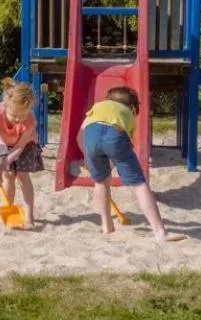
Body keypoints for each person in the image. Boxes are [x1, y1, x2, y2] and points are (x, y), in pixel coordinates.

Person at [78, 86, 182, 241]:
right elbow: (121, 146)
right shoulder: (127, 114)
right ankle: (160, 232)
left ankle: (106, 227)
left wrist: (87, 157)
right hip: (116, 134)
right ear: (132, 107)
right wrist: (115, 164)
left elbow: (80, 135)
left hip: (90, 137)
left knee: (100, 182)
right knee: (139, 184)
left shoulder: (97, 107)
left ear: (108, 99)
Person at [0, 78, 42, 227]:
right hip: (3, 143)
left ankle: (29, 215)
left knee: (23, 176)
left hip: (25, 145)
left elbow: (20, 147)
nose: (19, 119)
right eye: (15, 115)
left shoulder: (29, 120)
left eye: (22, 115)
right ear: (6, 105)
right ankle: (9, 208)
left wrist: (1, 165)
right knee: (8, 176)